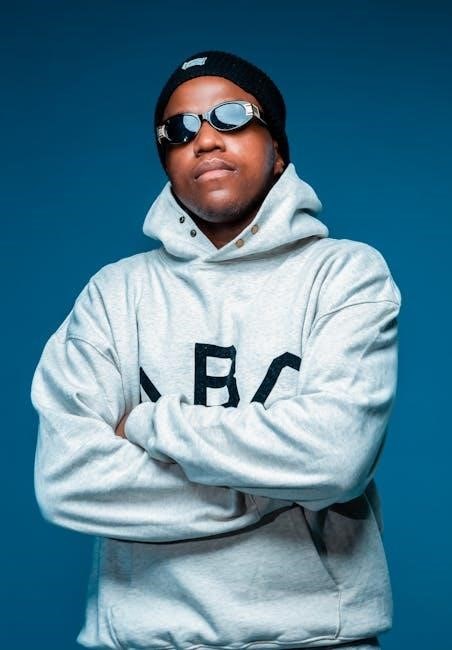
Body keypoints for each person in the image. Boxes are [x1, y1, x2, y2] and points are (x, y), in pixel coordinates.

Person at [31, 50, 402, 650]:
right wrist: (278, 491)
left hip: (315, 639)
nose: (204, 139)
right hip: (144, 640)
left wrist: (149, 424)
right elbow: (67, 480)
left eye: (231, 116)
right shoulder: (114, 293)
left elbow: (335, 457)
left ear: (277, 149)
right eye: (179, 129)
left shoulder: (346, 275)